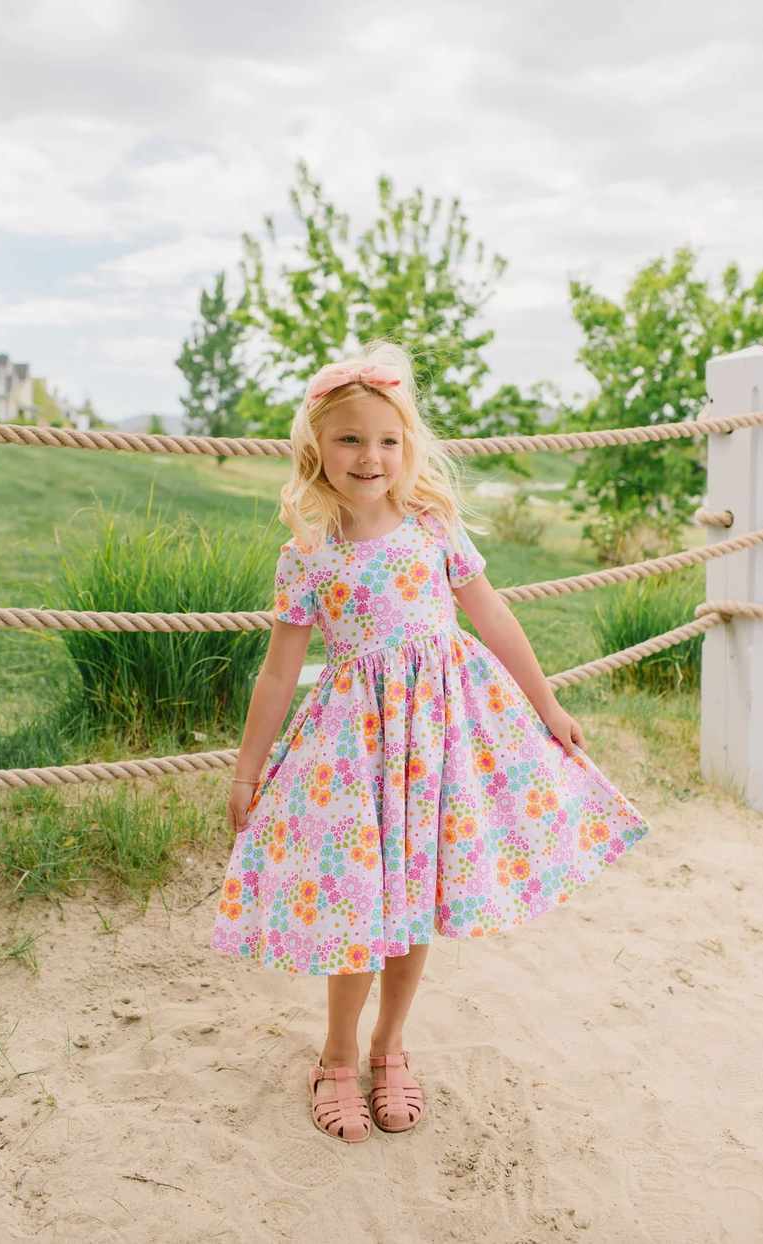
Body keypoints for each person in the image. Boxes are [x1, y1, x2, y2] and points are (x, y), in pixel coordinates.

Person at [210, 341, 649, 1144]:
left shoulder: (432, 526)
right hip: (357, 754)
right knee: (359, 907)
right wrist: (247, 773)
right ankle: (337, 1052)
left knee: (414, 904)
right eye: (348, 439)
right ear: (316, 448)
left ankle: (390, 1045)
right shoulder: (310, 555)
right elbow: (277, 677)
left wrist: (547, 706)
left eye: (386, 439)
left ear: (407, 445)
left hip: (440, 743)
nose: (369, 456)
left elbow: (494, 617)